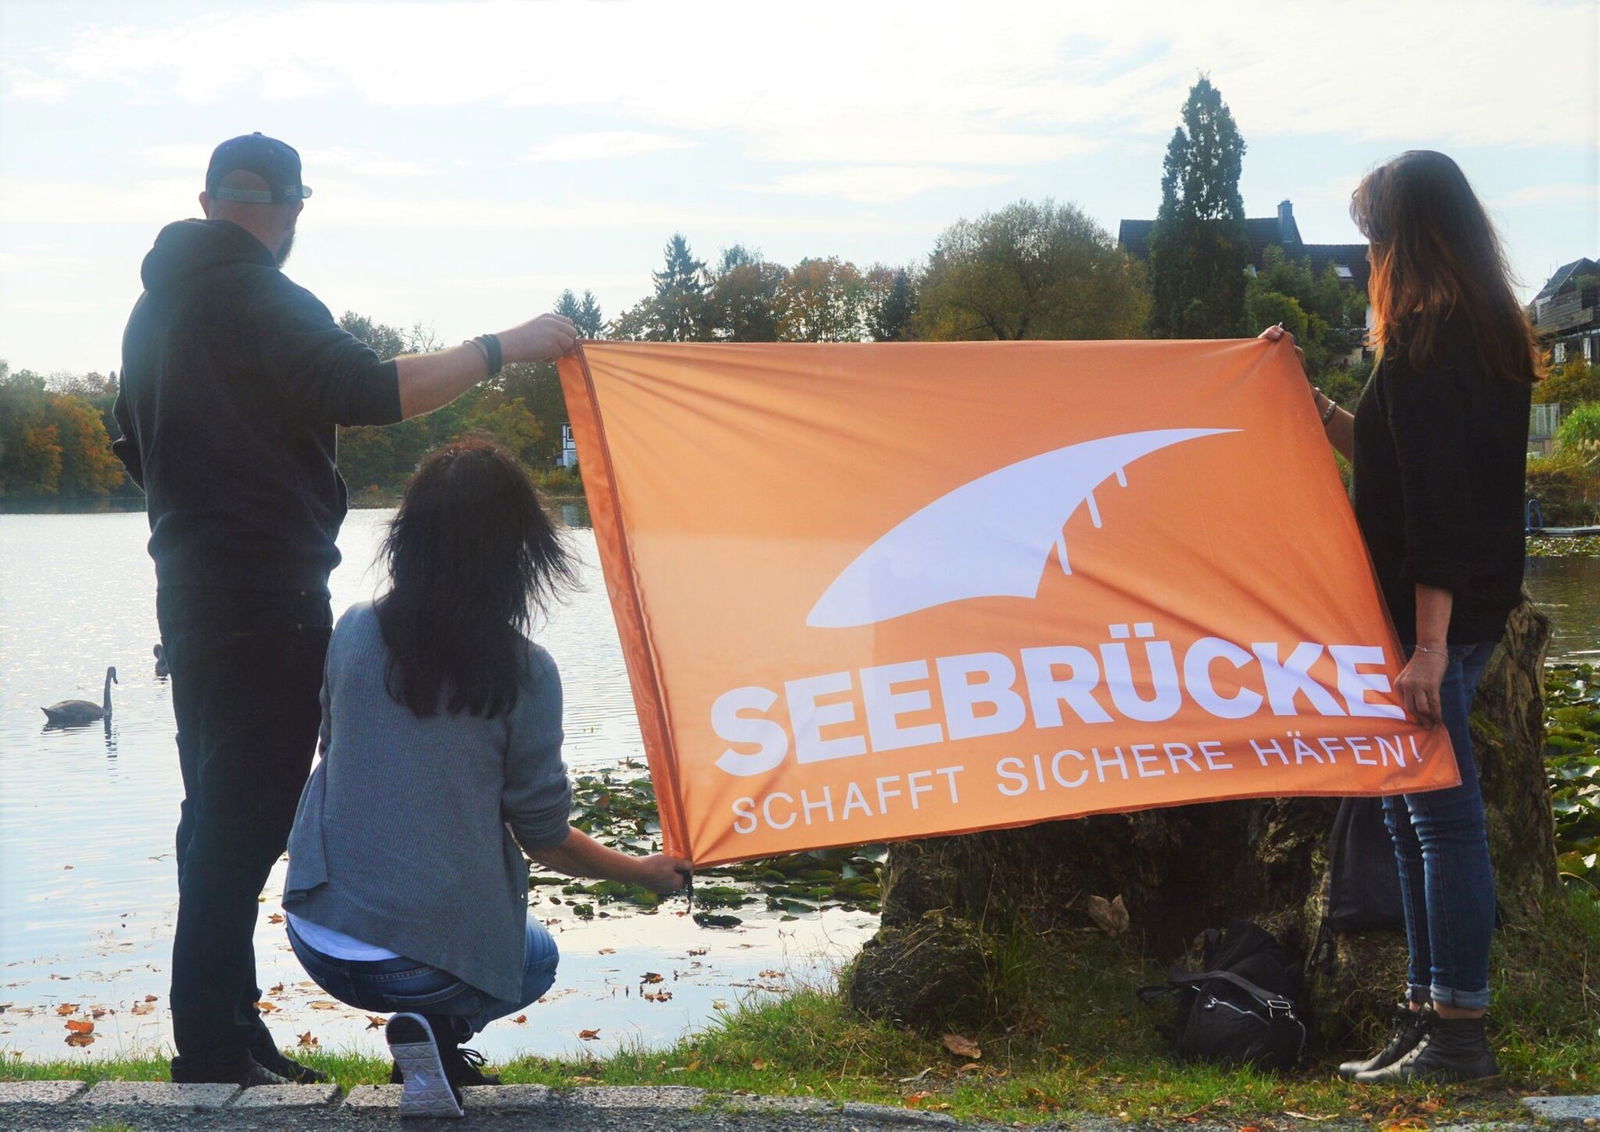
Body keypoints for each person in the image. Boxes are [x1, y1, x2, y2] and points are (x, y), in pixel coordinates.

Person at [111, 132, 578, 1087]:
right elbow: (371, 390)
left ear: (207, 203)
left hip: (189, 592)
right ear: (287, 210)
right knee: (240, 828)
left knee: (215, 821)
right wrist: (502, 348)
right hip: (266, 595)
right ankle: (210, 1052)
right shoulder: (264, 298)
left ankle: (227, 1033)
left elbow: (132, 444)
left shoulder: (152, 312)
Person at [282, 440, 691, 1118]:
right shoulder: (525, 672)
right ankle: (435, 1033)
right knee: (536, 959)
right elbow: (547, 839)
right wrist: (640, 873)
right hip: (408, 967)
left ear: (408, 539)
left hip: (317, 934)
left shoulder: (353, 630)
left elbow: (337, 748)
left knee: (429, 935)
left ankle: (427, 1054)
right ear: (520, 554)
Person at [1269, 150, 1540, 1084]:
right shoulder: (1477, 331)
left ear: (1408, 234)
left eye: (1375, 233)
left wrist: (1427, 646)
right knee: (1410, 820)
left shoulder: (1433, 343)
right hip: (1446, 613)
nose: (1370, 251)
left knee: (1442, 823)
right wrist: (1313, 408)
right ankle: (1425, 1017)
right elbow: (1391, 464)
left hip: (1435, 626)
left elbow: (1438, 509)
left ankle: (1458, 1030)